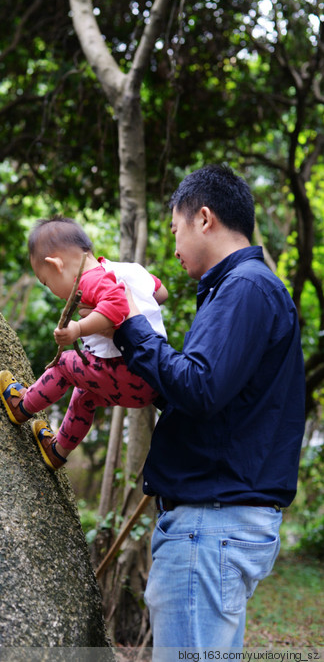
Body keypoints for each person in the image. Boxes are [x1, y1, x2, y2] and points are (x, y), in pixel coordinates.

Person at [111, 165, 306, 650]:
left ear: (204, 218)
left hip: (211, 524)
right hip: (214, 524)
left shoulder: (245, 289)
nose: (173, 246)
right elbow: (214, 401)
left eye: (174, 229)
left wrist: (130, 325)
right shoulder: (241, 289)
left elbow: (199, 387)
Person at [0, 215, 168, 471]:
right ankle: (57, 451)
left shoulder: (89, 279)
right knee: (85, 394)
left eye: (46, 282)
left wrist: (78, 328)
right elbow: (161, 292)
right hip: (150, 378)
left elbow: (118, 305)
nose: (53, 291)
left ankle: (22, 406)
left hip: (124, 367)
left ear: (55, 265)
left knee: (66, 364)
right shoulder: (129, 269)